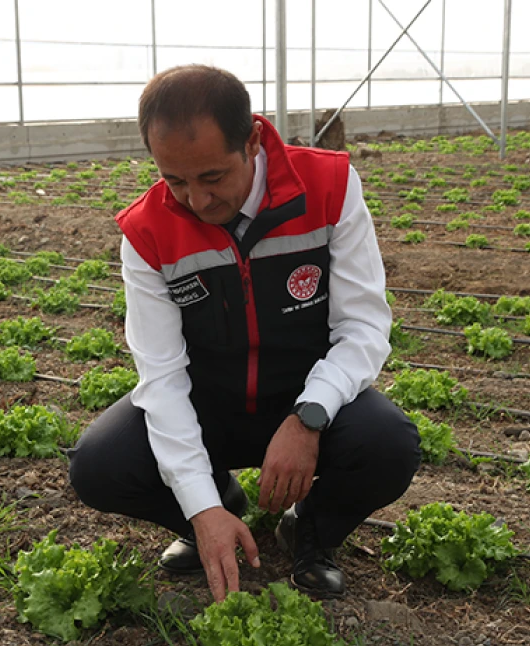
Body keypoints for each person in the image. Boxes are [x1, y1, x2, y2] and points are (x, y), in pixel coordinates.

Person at [68, 64, 420, 603]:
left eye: (212, 177)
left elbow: (364, 326)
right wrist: (200, 502)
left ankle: (310, 532)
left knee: (389, 443)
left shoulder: (327, 186)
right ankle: (217, 512)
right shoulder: (146, 232)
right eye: (175, 180)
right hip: (212, 405)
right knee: (100, 465)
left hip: (304, 400)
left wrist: (310, 416)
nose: (197, 201)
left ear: (253, 141)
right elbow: (161, 377)